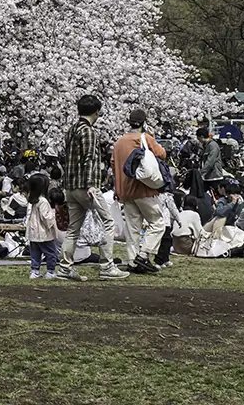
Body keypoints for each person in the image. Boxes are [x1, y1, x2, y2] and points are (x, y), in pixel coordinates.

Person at [56, 95, 128, 281]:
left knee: (73, 229)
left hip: (70, 187)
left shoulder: (71, 130)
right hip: (86, 186)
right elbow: (89, 158)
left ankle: (64, 267)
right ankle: (107, 266)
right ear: (97, 111)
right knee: (109, 222)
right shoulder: (88, 131)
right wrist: (90, 184)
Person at [112, 109, 168, 274]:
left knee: (132, 228)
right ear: (144, 122)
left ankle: (132, 260)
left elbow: (114, 167)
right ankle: (144, 255)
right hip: (144, 189)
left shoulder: (119, 142)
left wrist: (117, 189)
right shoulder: (145, 138)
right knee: (157, 223)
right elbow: (162, 154)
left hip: (125, 191)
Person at [26, 175, 58, 279]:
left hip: (33, 233)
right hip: (43, 233)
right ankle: (50, 271)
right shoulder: (43, 201)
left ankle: (35, 271)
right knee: (51, 252)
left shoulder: (32, 200)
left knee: (35, 253)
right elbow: (46, 218)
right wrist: (54, 217)